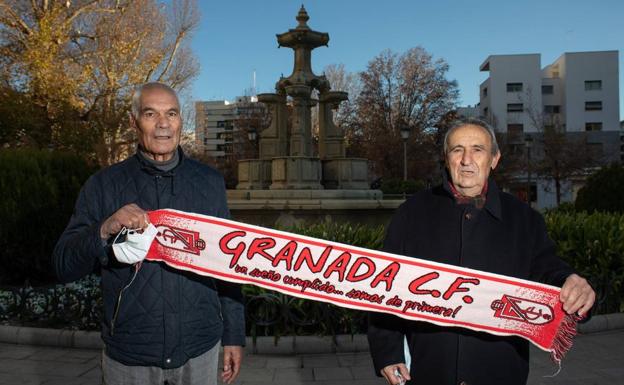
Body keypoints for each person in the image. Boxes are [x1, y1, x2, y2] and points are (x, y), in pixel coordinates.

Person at [367, 118, 595, 385]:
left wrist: (573, 284)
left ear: (494, 159)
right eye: (457, 150)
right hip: (428, 368)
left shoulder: (524, 218)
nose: (466, 160)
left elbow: (548, 269)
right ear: (446, 158)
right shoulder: (411, 213)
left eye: (478, 149)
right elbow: (383, 287)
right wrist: (387, 351)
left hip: (499, 369)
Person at [53, 82, 245, 385]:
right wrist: (104, 229)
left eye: (171, 113)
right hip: (131, 354)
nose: (163, 124)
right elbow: (63, 264)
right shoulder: (103, 185)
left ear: (181, 120)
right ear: (133, 123)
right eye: (150, 114)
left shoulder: (209, 183)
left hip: (200, 349)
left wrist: (234, 335)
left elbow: (227, 264)